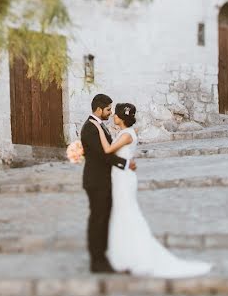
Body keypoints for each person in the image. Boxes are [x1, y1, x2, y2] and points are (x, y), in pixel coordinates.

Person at [90, 102, 212, 278]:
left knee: (127, 213)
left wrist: (98, 126)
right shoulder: (125, 133)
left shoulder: (126, 135)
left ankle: (135, 254)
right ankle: (123, 255)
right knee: (120, 214)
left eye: (115, 114)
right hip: (120, 176)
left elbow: (108, 150)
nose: (113, 116)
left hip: (124, 179)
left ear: (121, 117)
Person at [80, 94, 136, 273]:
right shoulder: (90, 127)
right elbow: (103, 154)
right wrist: (124, 164)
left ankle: (103, 256)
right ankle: (97, 261)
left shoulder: (98, 126)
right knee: (98, 218)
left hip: (104, 180)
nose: (111, 112)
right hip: (96, 181)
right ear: (98, 109)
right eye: (108, 109)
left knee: (103, 218)